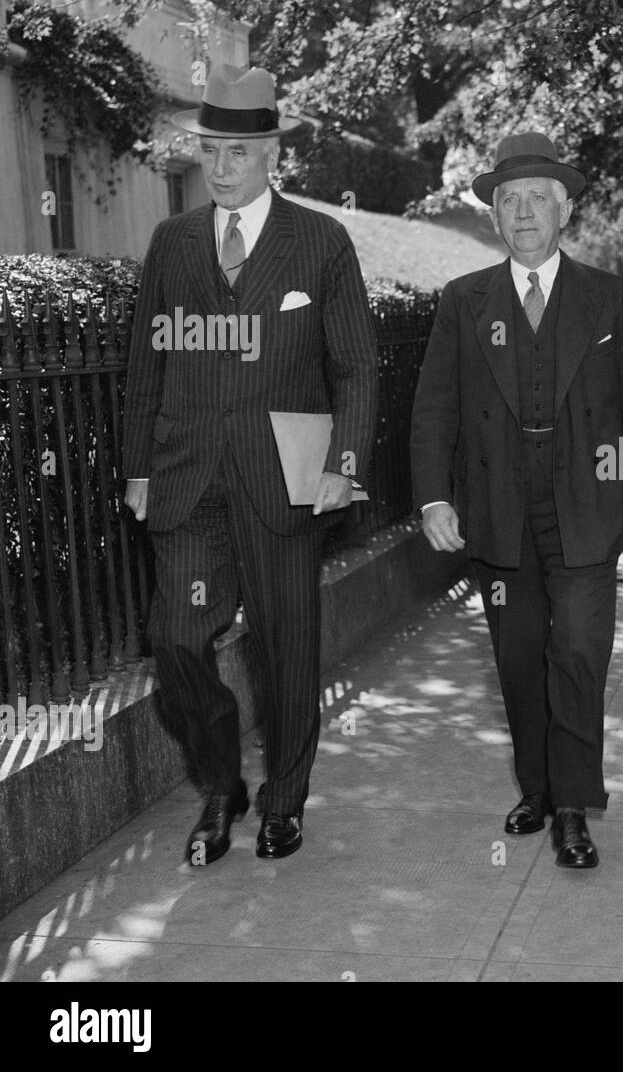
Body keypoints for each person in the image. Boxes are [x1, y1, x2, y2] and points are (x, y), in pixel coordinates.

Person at [123, 65, 378, 864]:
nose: (221, 166)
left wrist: (344, 459)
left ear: (272, 152)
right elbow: (146, 367)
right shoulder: (173, 243)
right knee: (175, 641)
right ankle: (221, 783)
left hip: (282, 484)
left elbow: (359, 366)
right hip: (187, 476)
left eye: (238, 151)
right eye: (210, 150)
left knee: (286, 649)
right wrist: (137, 468)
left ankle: (284, 801)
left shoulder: (321, 242)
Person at [410, 132, 623, 868]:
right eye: (508, 200)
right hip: (497, 508)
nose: (522, 212)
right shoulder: (464, 301)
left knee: (579, 652)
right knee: (519, 661)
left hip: (590, 505)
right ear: (494, 216)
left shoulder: (609, 297)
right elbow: (434, 410)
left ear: (565, 211)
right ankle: (537, 785)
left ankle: (575, 806)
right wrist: (432, 499)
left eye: (536, 199)